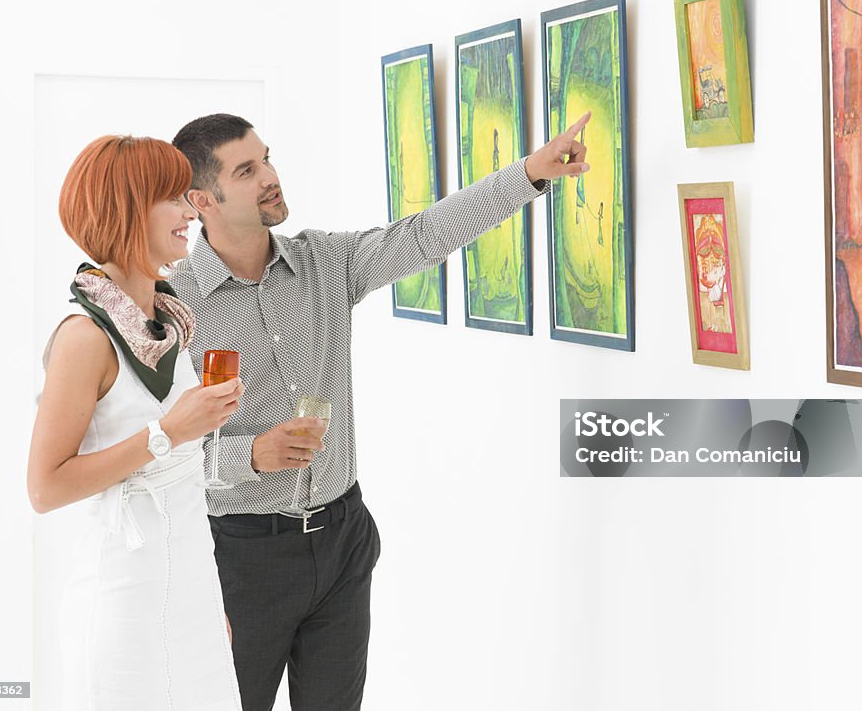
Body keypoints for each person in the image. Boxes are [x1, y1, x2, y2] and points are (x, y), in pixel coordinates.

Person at [168, 111, 591, 711]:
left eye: (266, 158)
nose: (270, 176)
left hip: (342, 542)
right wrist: (250, 453)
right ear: (200, 199)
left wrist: (529, 174)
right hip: (240, 560)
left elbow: (422, 235)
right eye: (246, 170)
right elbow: (158, 448)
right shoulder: (174, 304)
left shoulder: (325, 263)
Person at [27, 135, 246, 710]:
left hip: (192, 595)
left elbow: (185, 485)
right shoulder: (84, 337)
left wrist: (206, 601)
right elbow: (45, 488)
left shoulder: (169, 325)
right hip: (124, 604)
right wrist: (168, 432)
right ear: (126, 209)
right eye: (171, 198)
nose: (188, 211)